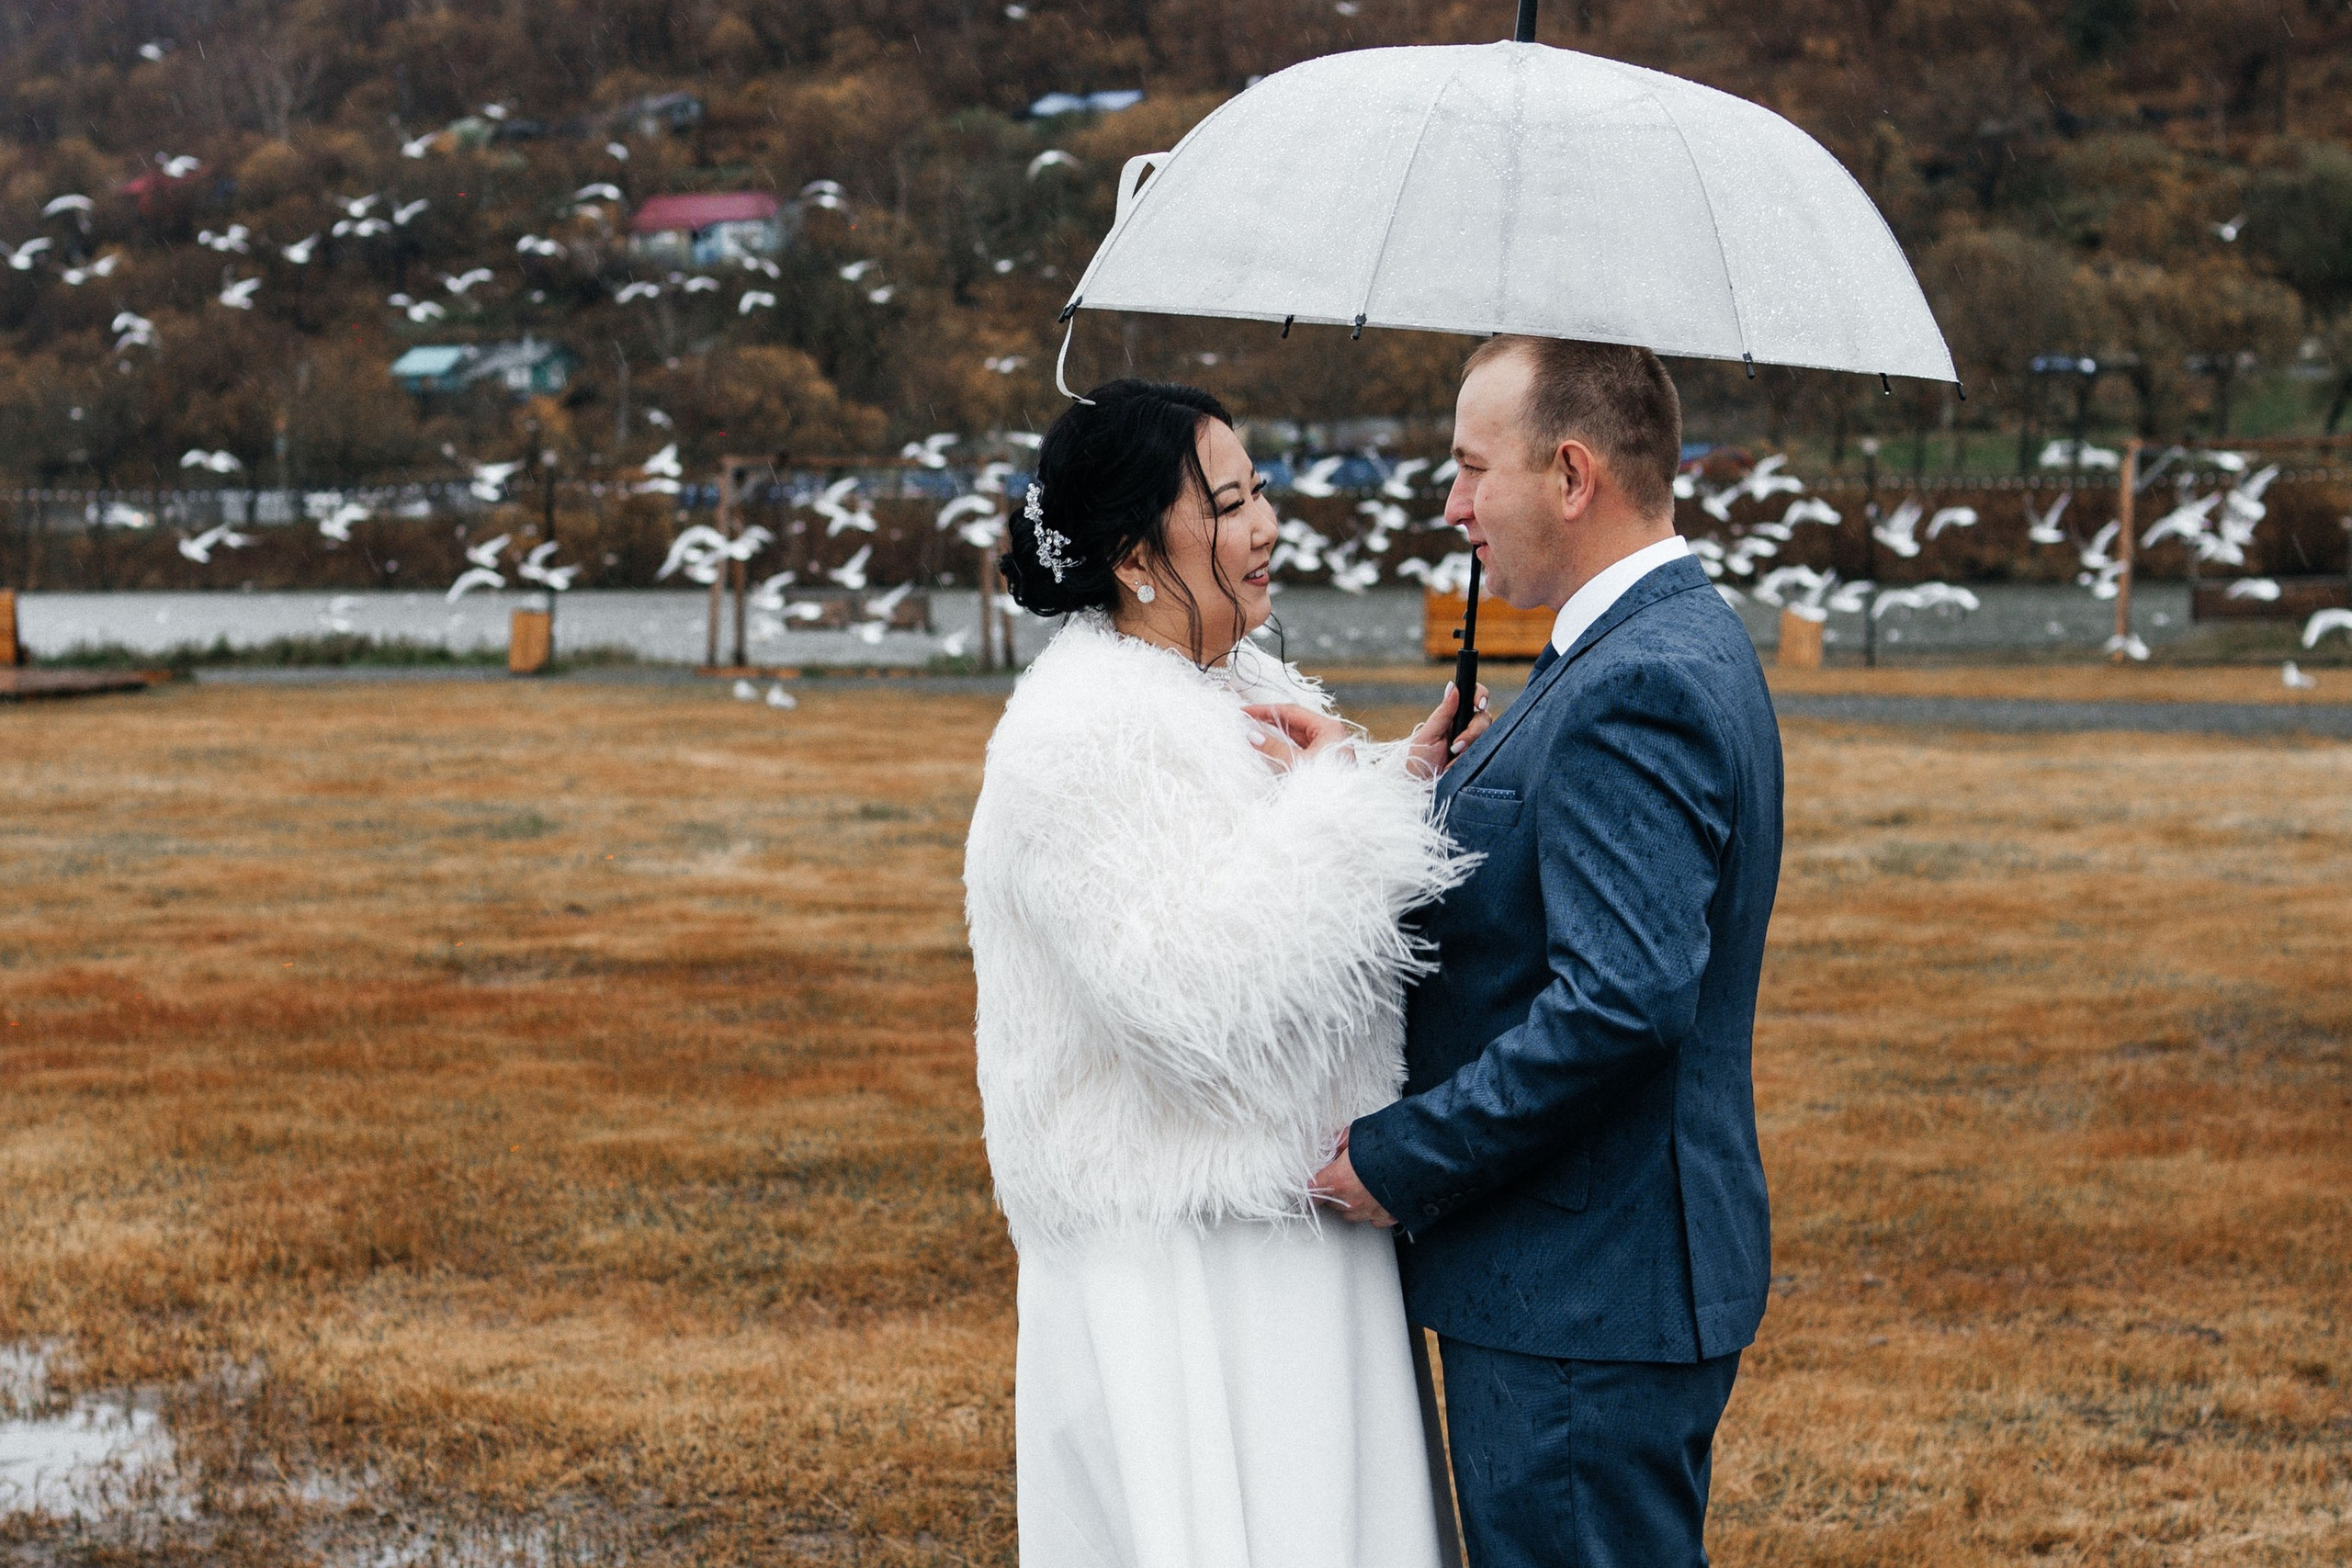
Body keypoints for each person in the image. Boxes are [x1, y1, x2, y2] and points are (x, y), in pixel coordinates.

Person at [963, 378, 1492, 1568]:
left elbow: (1293, 913)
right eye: (1233, 502)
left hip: (1287, 1240)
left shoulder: (1239, 690)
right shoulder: (1088, 727)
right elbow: (1192, 1004)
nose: (1267, 530)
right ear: (1138, 551)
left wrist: (1384, 787)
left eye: (1261, 495)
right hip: (1185, 1272)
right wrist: (1350, 820)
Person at [1313, 336, 1783, 1568]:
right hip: (1594, 1289)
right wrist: (1384, 787)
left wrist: (1401, 1158)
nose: (1452, 504)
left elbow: (1621, 1003)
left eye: (1472, 469)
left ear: (1571, 474)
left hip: (1582, 1297)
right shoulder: (1648, 643)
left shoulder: (1639, 682)